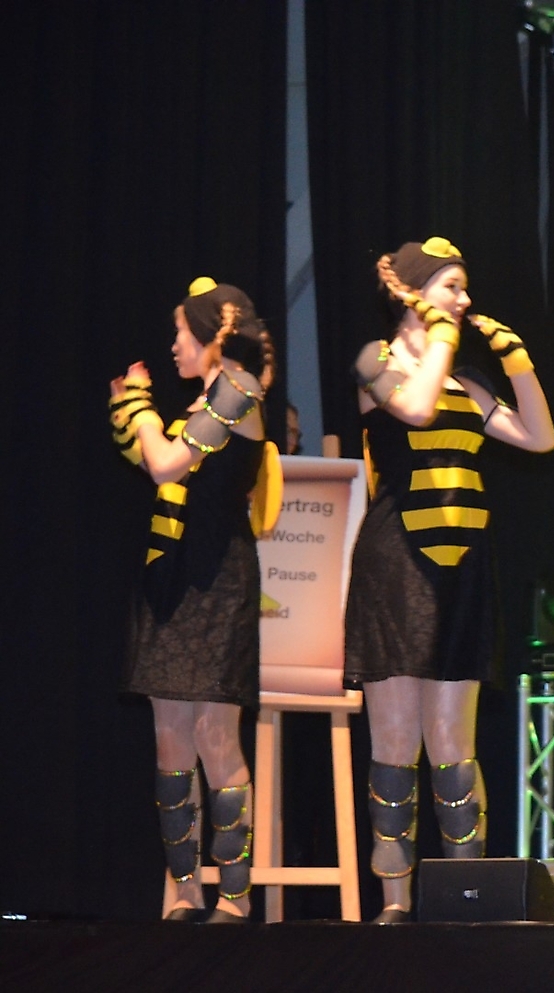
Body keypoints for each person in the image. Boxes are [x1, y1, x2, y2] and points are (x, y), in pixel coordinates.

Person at [343, 237, 554, 923]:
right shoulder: (375, 360)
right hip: (397, 563)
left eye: (464, 289)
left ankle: (466, 896)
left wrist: (517, 361)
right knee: (395, 743)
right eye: (451, 287)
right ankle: (395, 901)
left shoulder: (467, 377)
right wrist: (436, 339)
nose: (464, 300)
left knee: (454, 744)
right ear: (414, 293)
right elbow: (415, 409)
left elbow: (540, 436)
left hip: (465, 566)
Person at [110, 277, 277, 922]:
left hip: (217, 579)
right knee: (170, 739)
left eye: (182, 333)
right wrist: (130, 414)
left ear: (212, 336)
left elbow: (164, 464)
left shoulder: (240, 390)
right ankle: (184, 894)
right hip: (171, 576)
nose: (175, 345)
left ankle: (234, 898)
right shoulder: (205, 400)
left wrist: (142, 411)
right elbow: (153, 462)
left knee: (215, 735)